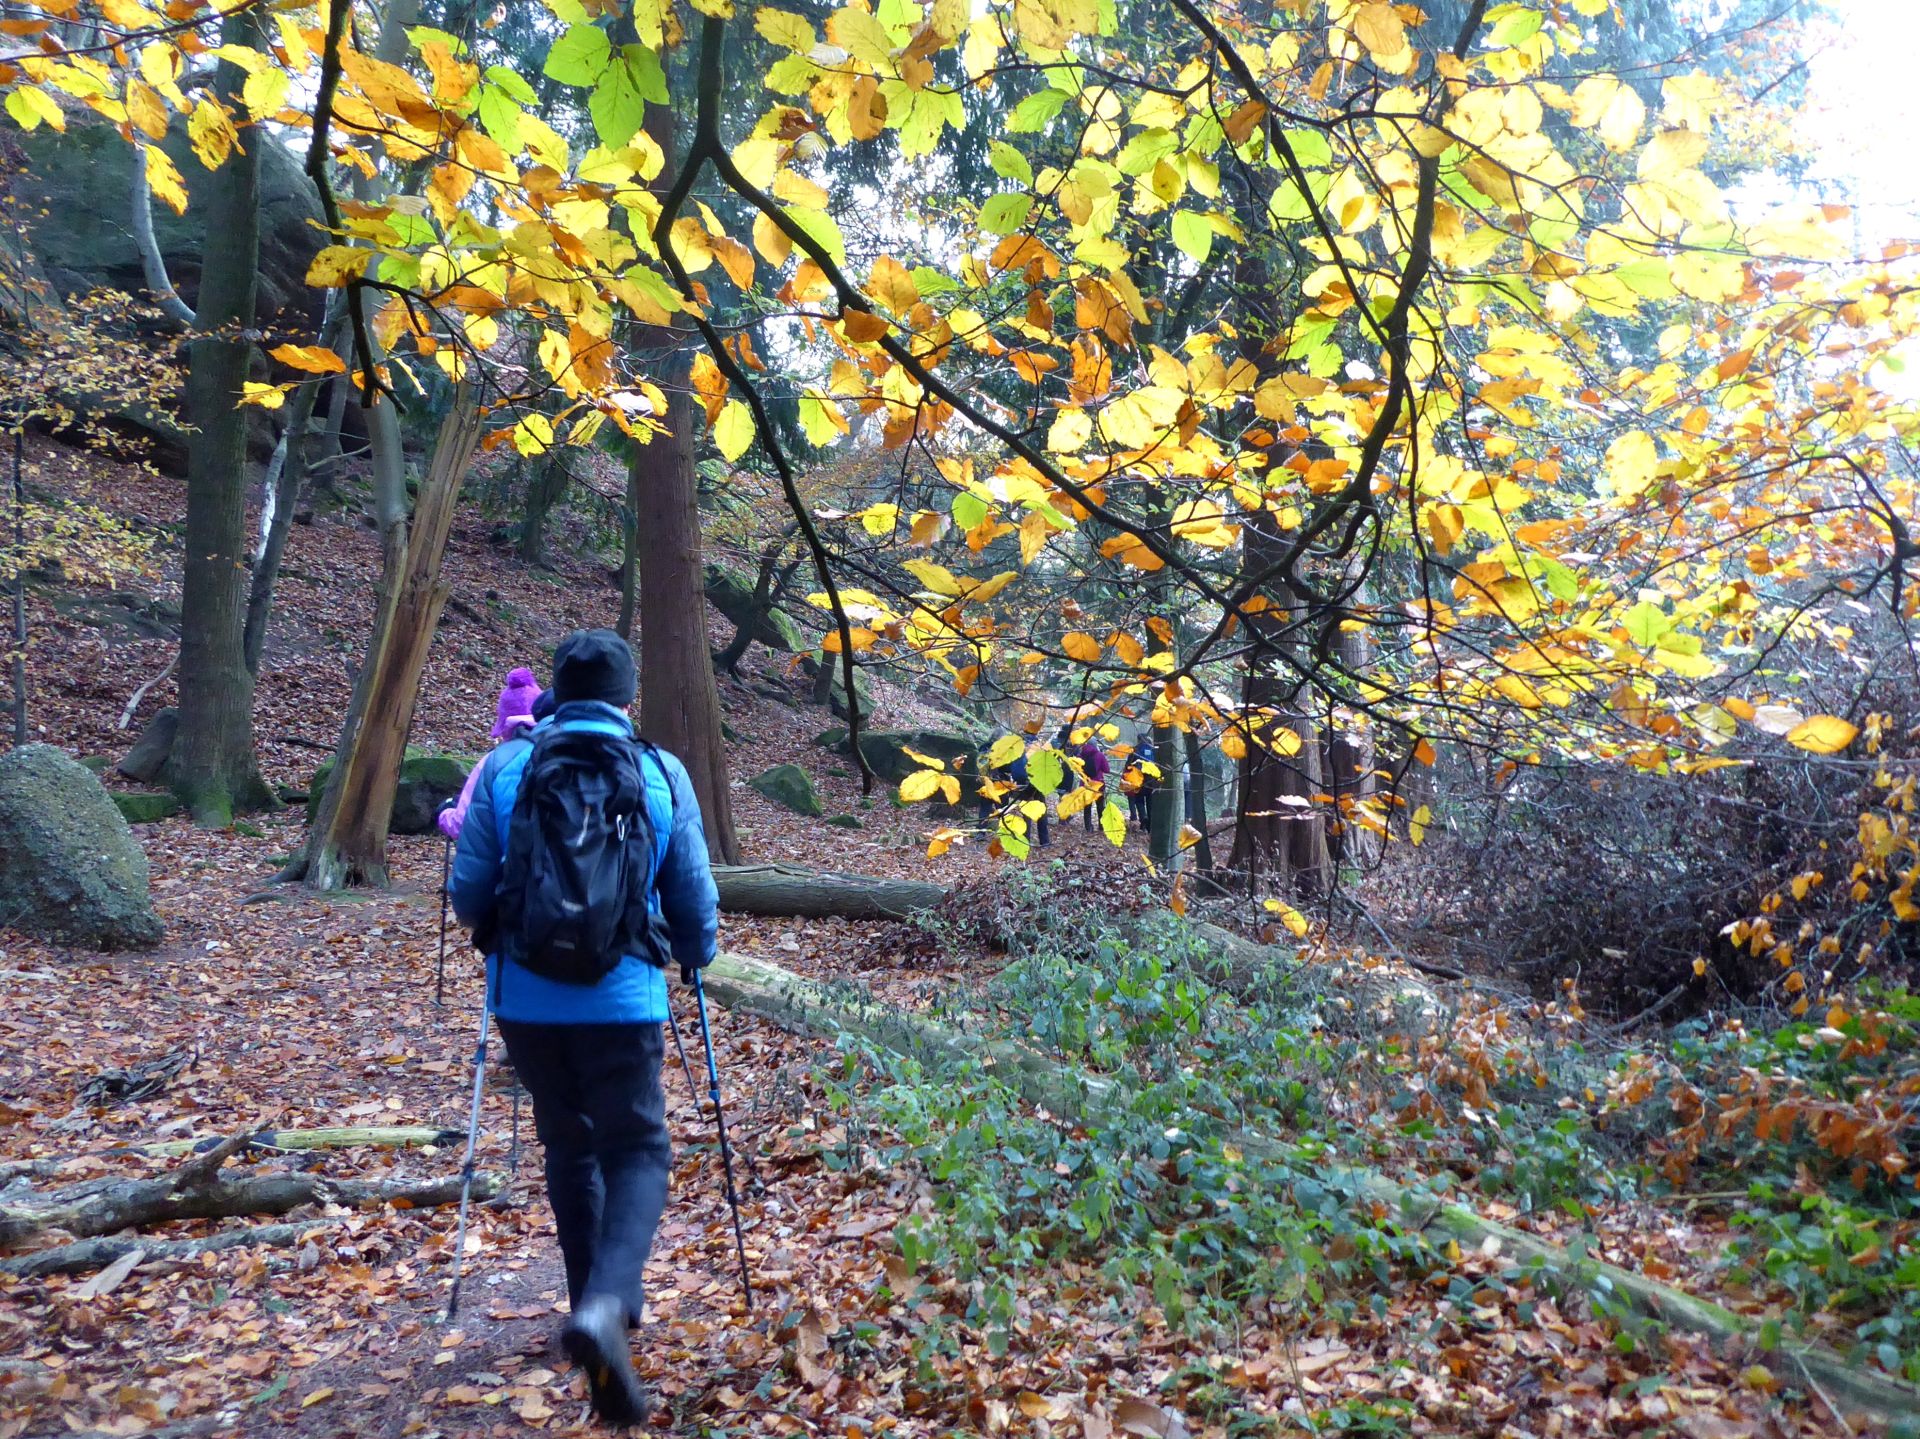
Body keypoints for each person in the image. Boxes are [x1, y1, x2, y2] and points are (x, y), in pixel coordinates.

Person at [449, 630, 718, 1425]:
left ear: (556, 695)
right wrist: (696, 956)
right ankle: (608, 1305)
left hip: (526, 1002)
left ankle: (586, 1305)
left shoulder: (507, 767)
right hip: (622, 998)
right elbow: (694, 902)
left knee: (567, 1139)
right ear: (629, 698)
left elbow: (468, 893)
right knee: (638, 1145)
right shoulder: (662, 772)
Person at [438, 667, 543, 841]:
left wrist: (445, 812)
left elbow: (462, 824)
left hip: (504, 862)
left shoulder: (493, 761)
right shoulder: (562, 751)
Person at [1076, 735, 1110, 832]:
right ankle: (1101, 826)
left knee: (1087, 807)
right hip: (1098, 784)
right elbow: (1107, 770)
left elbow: (1077, 769)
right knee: (1100, 806)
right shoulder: (1100, 755)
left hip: (1085, 785)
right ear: (1095, 744)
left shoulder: (1080, 755)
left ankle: (1088, 828)